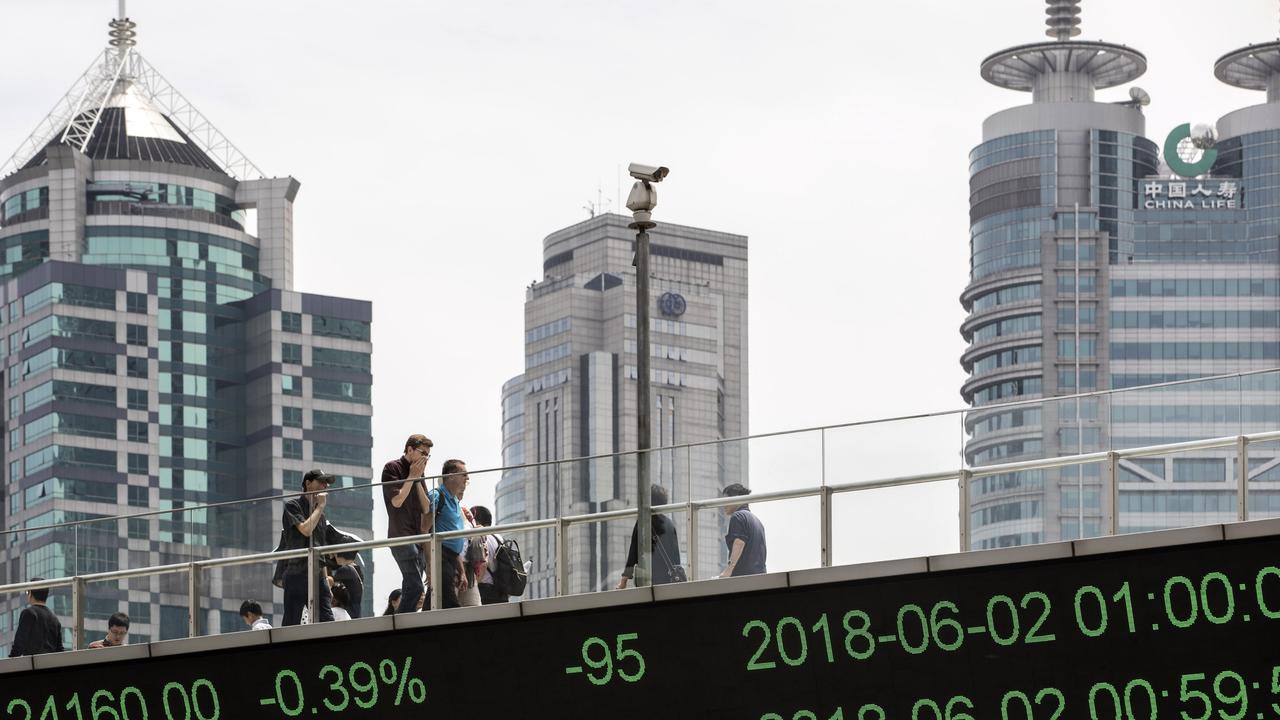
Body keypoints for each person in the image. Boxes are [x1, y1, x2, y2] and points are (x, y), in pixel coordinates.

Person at [382, 434, 433, 614]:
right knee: (416, 588)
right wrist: (412, 476)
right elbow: (397, 501)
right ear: (410, 450)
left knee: (411, 586)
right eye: (423, 453)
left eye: (428, 455)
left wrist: (418, 479)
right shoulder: (392, 468)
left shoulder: (420, 474)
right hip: (401, 538)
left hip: (417, 539)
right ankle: (401, 623)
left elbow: (427, 508)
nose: (426, 458)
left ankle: (402, 620)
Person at [280, 469, 336, 625]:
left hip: (317, 575)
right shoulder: (293, 506)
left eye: (326, 483)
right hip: (296, 572)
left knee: (327, 622)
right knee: (292, 622)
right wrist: (320, 507)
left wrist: (326, 581)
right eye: (321, 482)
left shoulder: (321, 517)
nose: (325, 486)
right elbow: (305, 530)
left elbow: (320, 549)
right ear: (308, 483)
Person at [617, 485, 683, 588]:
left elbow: (633, 553)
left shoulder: (643, 522)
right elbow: (676, 558)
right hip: (667, 581)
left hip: (646, 580)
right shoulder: (670, 525)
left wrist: (623, 581)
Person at [426, 459, 470, 609]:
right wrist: (429, 563)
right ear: (451, 476)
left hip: (451, 558)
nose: (467, 478)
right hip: (439, 556)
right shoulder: (437, 496)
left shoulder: (456, 502)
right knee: (450, 602)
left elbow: (455, 542)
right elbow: (423, 529)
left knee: (432, 601)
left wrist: (461, 571)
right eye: (464, 474)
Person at [719, 483, 767, 578]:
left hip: (743, 578)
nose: (723, 505)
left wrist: (728, 570)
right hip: (760, 577)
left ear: (736, 498)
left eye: (725, 500)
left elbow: (739, 543)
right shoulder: (757, 521)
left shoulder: (737, 516)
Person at [10, 580, 63, 656]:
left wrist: (11, 661)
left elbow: (19, 643)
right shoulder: (55, 619)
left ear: (30, 593)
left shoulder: (28, 613)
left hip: (32, 664)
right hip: (51, 665)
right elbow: (60, 649)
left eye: (27, 592)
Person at [472, 506, 507, 604]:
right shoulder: (498, 538)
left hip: (485, 590)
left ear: (475, 521)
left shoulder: (480, 536)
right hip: (501, 590)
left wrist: (474, 584)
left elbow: (482, 564)